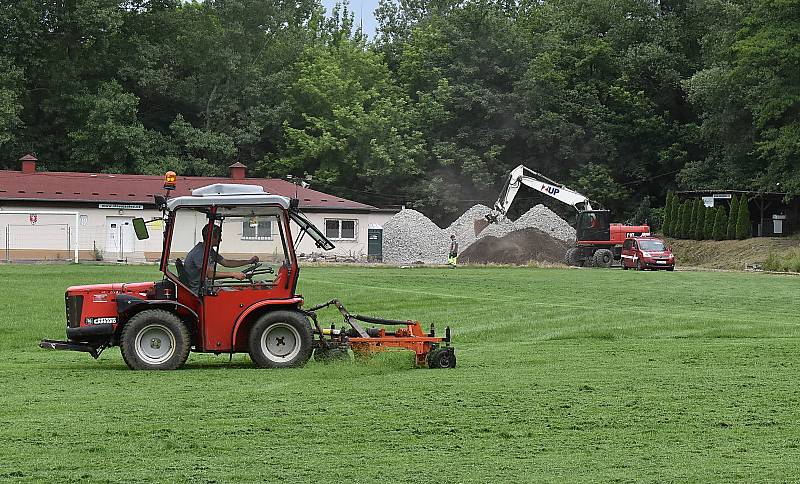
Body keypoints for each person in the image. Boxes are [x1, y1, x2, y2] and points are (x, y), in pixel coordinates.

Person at [183, 224, 259, 293]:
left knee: (237, 291)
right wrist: (233, 274)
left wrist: (249, 261)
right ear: (212, 237)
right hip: (199, 291)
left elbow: (226, 262)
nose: (221, 239)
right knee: (237, 295)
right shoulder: (199, 252)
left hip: (206, 286)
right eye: (219, 236)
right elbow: (209, 274)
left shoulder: (208, 250)